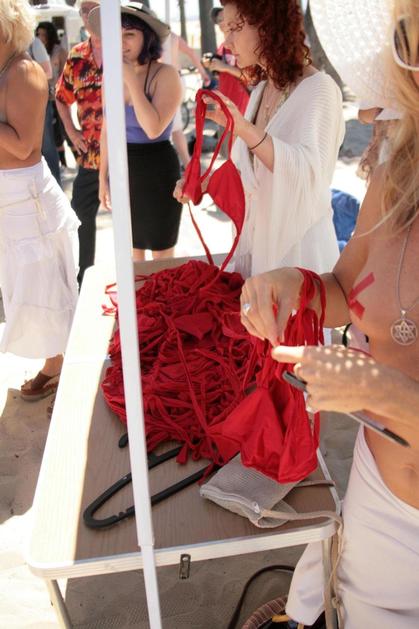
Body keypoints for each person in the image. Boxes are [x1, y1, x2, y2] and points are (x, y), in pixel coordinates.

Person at [240, 0, 419, 626]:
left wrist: (380, 389)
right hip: (378, 492)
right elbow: (348, 284)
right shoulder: (398, 174)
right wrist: (293, 285)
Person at [175, 0, 344, 279]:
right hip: (257, 257)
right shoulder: (262, 88)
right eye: (224, 30)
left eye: (234, 28)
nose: (227, 42)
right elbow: (250, 175)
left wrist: (243, 128)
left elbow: (309, 175)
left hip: (297, 262)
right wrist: (203, 182)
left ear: (268, 25)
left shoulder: (320, 88)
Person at [0, 0, 79, 400]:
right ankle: (55, 365)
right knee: (27, 289)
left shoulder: (24, 71)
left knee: (46, 289)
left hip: (27, 199)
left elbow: (23, 146)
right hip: (11, 199)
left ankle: (64, 370)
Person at [90, 2, 183, 262]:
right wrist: (102, 176)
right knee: (131, 255)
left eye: (129, 34)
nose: (122, 42)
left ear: (147, 37)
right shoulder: (111, 76)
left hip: (157, 170)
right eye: (116, 34)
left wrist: (131, 79)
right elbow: (107, 130)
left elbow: (153, 128)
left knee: (162, 257)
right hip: (123, 169)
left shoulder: (166, 74)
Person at [55, 0, 102, 286]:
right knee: (81, 216)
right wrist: (71, 132)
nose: (89, 15)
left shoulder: (124, 48)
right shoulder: (77, 56)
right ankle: (84, 280)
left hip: (127, 154)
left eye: (94, 8)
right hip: (91, 156)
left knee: (135, 219)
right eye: (84, 10)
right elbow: (61, 98)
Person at [162, 31, 210, 169]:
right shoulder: (172, 36)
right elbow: (191, 52)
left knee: (174, 127)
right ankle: (188, 165)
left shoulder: (154, 35)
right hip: (178, 79)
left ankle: (188, 166)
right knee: (175, 127)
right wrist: (203, 73)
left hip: (166, 80)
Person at [36, 21, 72, 169]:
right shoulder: (35, 51)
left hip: (59, 96)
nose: (41, 37)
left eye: (43, 34)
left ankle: (79, 162)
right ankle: (62, 165)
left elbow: (67, 73)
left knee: (66, 130)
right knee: (52, 135)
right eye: (38, 34)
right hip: (43, 98)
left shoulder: (59, 51)